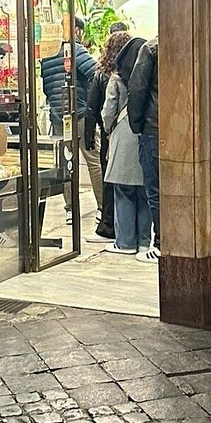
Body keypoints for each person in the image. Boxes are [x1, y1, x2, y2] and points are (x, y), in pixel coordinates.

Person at [41, 15, 98, 220]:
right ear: (75, 30)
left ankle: (70, 209)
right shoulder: (75, 49)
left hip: (58, 116)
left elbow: (46, 86)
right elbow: (97, 73)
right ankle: (102, 208)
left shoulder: (46, 55)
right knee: (93, 159)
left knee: (67, 162)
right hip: (79, 114)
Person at [101, 36, 151, 256]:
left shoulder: (117, 78)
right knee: (144, 191)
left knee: (122, 189)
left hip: (123, 134)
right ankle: (144, 241)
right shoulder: (151, 75)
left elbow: (108, 111)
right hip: (145, 133)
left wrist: (106, 128)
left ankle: (125, 242)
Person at [83, 28, 129, 243]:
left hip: (110, 135)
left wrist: (90, 133)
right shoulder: (134, 73)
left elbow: (94, 108)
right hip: (134, 133)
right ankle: (134, 231)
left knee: (109, 179)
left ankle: (109, 226)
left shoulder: (102, 75)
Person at [128, 35, 160, 262]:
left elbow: (137, 88)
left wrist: (136, 124)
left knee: (156, 189)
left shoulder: (151, 48)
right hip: (187, 130)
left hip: (154, 128)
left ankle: (160, 244)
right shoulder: (192, 39)